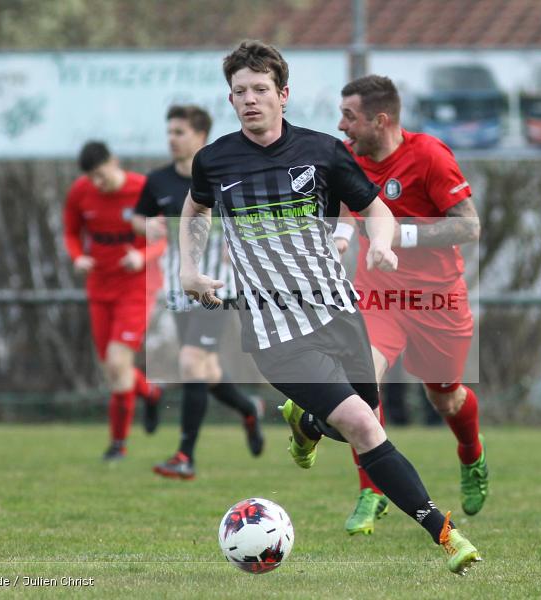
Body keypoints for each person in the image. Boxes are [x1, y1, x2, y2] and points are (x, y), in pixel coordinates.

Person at [179, 39, 481, 574]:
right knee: (366, 426)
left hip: (339, 314)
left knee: (352, 419)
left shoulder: (322, 151)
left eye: (260, 90)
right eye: (240, 92)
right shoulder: (216, 158)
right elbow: (196, 205)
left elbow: (376, 210)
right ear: (231, 100)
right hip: (275, 330)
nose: (250, 100)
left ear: (283, 95)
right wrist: (188, 265)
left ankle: (306, 424)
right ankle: (446, 535)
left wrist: (383, 242)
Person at [333, 75, 487, 536]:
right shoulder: (348, 158)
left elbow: (469, 227)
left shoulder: (430, 157)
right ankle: (371, 491)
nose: (343, 127)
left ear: (381, 120)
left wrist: (402, 234)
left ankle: (471, 454)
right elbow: (343, 206)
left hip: (436, 300)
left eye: (350, 117)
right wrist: (342, 236)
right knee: (361, 386)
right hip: (378, 296)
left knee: (445, 396)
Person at [132, 105, 264, 480]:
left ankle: (184, 456)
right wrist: (147, 228)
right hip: (180, 286)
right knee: (205, 370)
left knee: (190, 362)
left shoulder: (223, 176)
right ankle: (248, 408)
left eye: (179, 132)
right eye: (169, 131)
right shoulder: (157, 181)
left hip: (219, 285)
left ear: (200, 136)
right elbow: (138, 217)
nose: (172, 138)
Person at [63, 141, 165, 461]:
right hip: (100, 287)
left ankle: (118, 445)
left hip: (137, 286)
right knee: (111, 367)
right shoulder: (80, 192)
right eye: (91, 177)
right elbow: (70, 232)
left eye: (101, 175)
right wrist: (78, 257)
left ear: (114, 162)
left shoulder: (143, 189)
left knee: (118, 362)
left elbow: (163, 238)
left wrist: (142, 255)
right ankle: (150, 392)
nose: (97, 183)